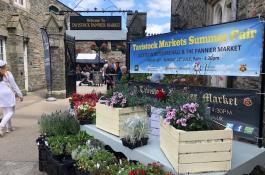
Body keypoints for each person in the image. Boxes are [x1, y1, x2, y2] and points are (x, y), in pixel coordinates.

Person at [0, 60, 23, 136]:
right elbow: (14, 85)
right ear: (4, 66)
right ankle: (1, 126)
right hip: (8, 94)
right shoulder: (8, 74)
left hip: (1, 95)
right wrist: (20, 94)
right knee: (11, 112)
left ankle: (8, 128)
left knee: (5, 112)